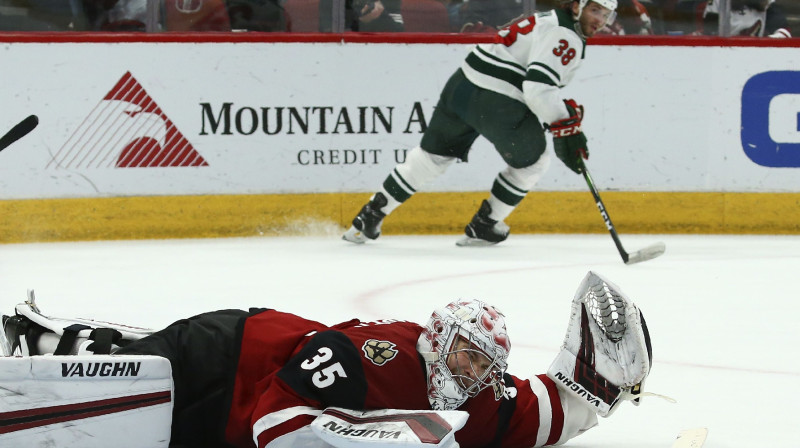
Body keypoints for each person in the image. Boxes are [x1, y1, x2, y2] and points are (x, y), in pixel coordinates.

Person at [2, 271, 655, 448]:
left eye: (482, 364)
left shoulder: (468, 389)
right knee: (124, 369)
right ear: (437, 339)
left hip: (235, 395)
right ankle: (43, 333)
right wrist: (374, 433)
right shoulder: (372, 355)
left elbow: (532, 416)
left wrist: (596, 390)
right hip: (223, 356)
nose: (471, 372)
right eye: (462, 354)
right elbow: (271, 428)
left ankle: (50, 332)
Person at [343, 0, 618, 246]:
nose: (599, 19)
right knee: (534, 161)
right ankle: (484, 225)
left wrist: (557, 114)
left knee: (431, 158)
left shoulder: (546, 19)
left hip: (462, 85)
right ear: (576, 6)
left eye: (606, 14)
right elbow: (538, 88)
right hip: (498, 101)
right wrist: (564, 125)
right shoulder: (567, 35)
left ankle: (369, 216)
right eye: (595, 10)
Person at [702, 0, 792, 37]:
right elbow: (710, 35)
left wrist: (765, 44)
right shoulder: (718, 3)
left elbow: (784, 32)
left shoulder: (767, 4)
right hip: (723, 54)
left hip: (753, 56)